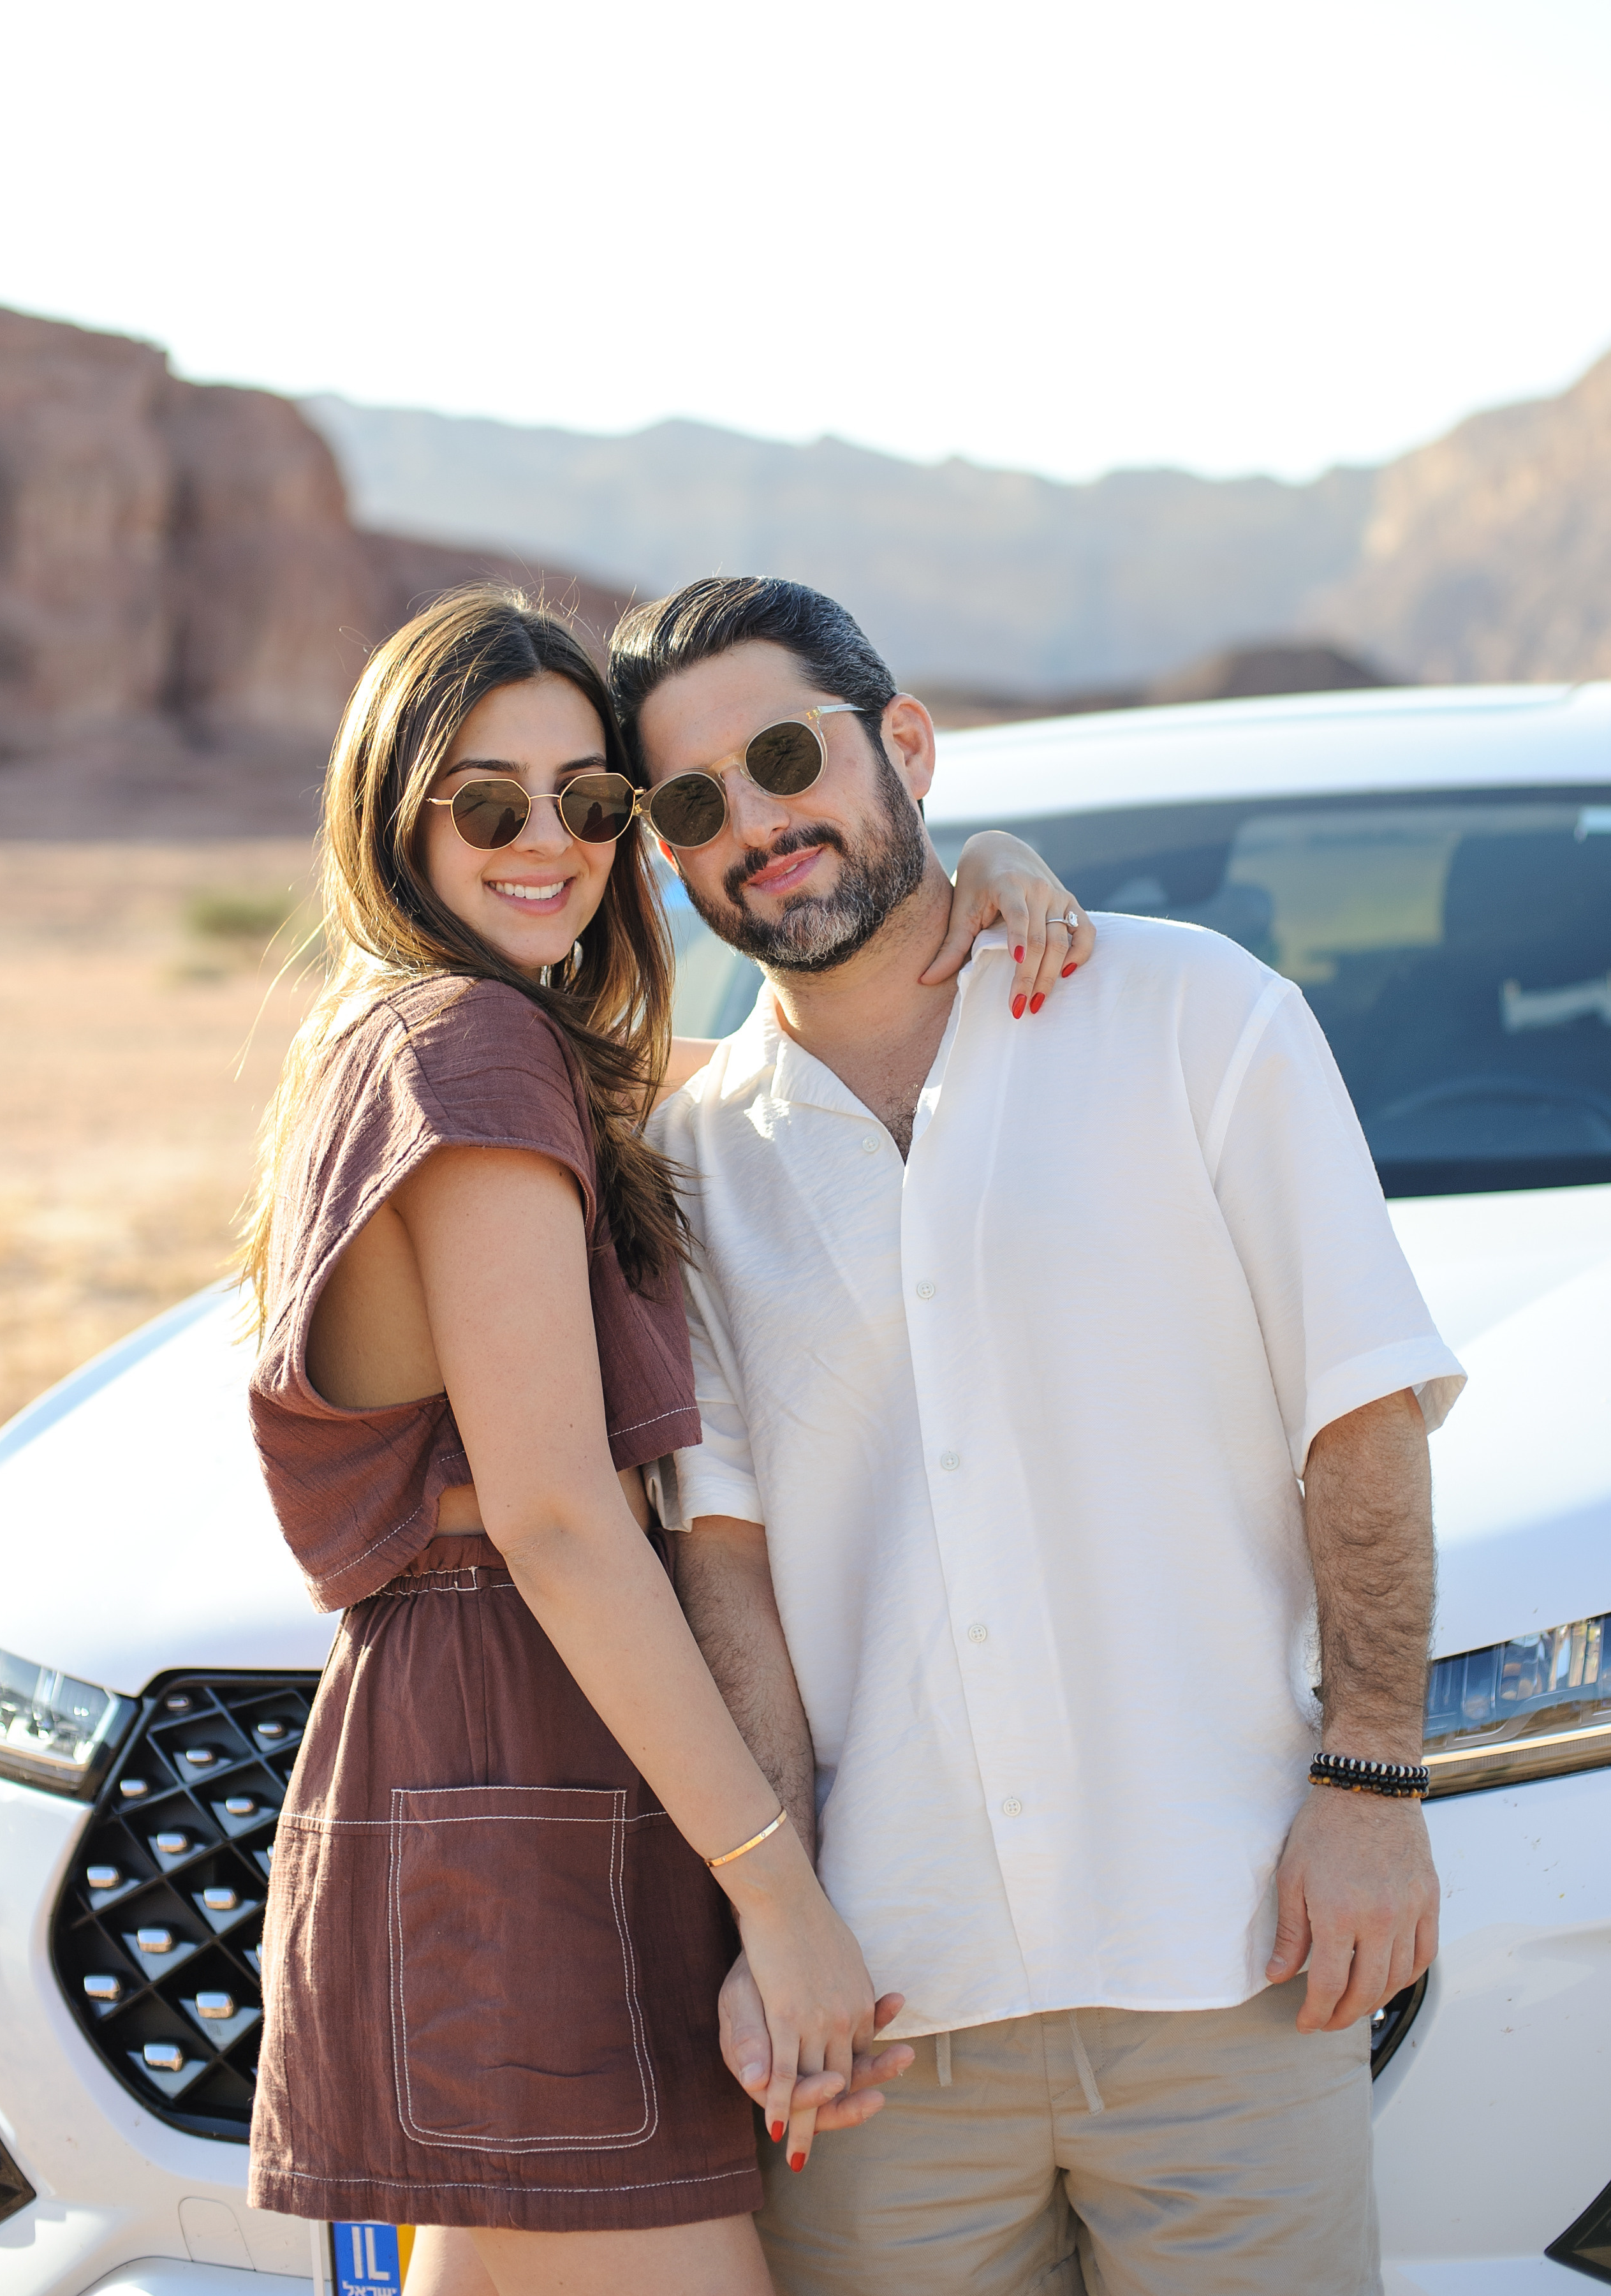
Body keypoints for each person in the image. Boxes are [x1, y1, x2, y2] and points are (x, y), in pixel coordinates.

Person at [607, 575, 1468, 2296]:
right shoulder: (693, 1159)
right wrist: (776, 1925)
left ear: (903, 744)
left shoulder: (1191, 1015)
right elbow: (733, 1573)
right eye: (695, 804)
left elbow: (1359, 1412)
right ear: (669, 863)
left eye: (787, 757)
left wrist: (1372, 1774)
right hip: (887, 2010)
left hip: (1225, 1951)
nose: (758, 825)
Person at [240, 585, 1082, 2296]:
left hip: (488, 1743)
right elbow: (556, 1514)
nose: (544, 839)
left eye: (592, 800)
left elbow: (757, 1066)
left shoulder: (459, 1044)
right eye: (487, 801)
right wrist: (777, 1896)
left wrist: (964, 876)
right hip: (516, 1744)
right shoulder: (469, 1049)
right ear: (393, 815)